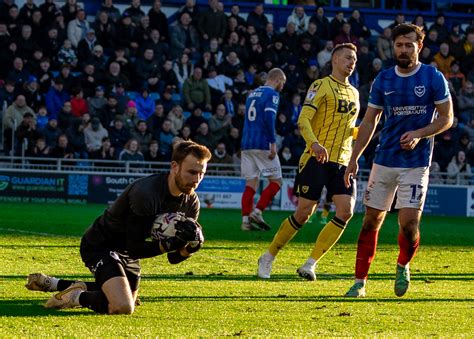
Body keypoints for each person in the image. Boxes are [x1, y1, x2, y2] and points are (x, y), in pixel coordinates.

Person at [25, 141, 212, 314]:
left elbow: (173, 258)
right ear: (174, 167)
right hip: (102, 244)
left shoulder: (191, 203)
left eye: (201, 173)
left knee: (127, 298)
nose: (197, 179)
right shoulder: (146, 193)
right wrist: (170, 244)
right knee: (122, 305)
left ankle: (54, 283)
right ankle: (74, 297)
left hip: (127, 251)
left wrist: (190, 248)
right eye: (191, 172)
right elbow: (135, 247)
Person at [343, 24, 453, 298]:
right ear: (393, 47)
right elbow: (369, 122)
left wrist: (418, 133)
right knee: (371, 221)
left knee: (408, 225)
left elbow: (446, 119)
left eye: (409, 45)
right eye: (399, 45)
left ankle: (403, 264)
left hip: (416, 163)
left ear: (420, 47)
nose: (403, 50)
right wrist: (354, 158)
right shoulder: (383, 80)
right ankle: (359, 282)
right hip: (384, 160)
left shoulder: (432, 77)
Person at [256, 43, 359, 280]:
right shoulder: (320, 85)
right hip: (316, 158)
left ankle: (310, 264)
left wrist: (359, 141)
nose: (351, 62)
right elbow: (304, 120)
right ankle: (268, 256)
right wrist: (313, 143)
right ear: (334, 60)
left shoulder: (355, 93)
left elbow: (347, 129)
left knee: (346, 211)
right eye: (347, 57)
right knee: (304, 213)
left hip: (342, 161)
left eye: (354, 59)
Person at [240, 68, 286, 232]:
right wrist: (273, 143)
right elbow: (268, 118)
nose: (283, 86)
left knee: (250, 183)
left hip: (246, 143)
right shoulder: (272, 94)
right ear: (277, 79)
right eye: (283, 82)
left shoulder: (251, 94)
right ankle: (257, 212)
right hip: (262, 143)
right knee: (276, 181)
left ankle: (245, 222)